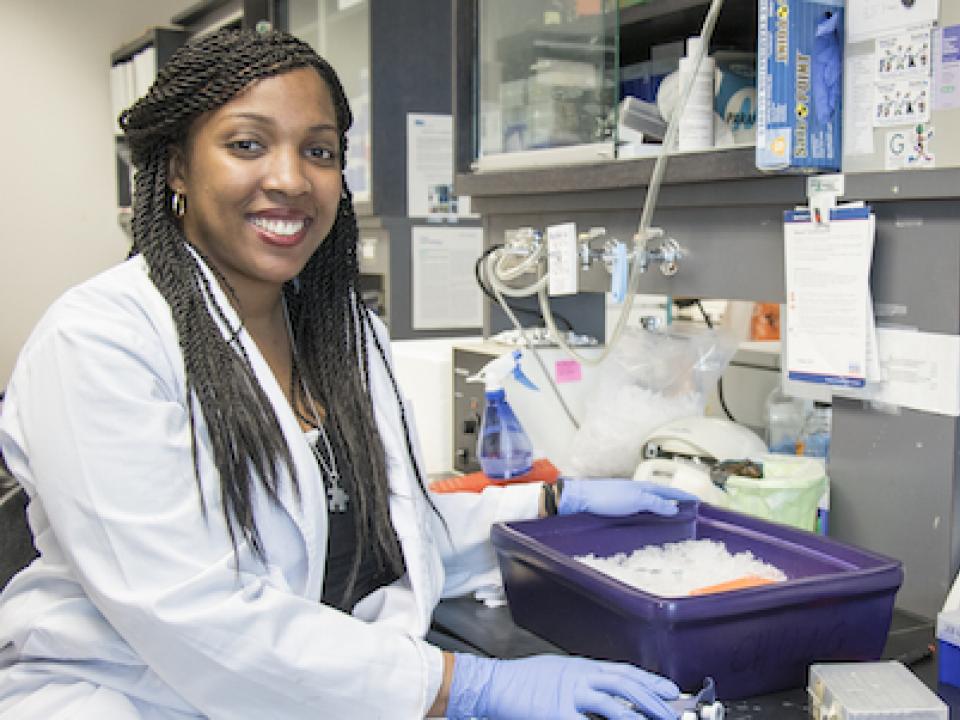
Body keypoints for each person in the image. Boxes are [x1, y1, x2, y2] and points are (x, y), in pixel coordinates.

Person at [0, 28, 691, 719]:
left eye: (319, 151)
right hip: (127, 699)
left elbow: (378, 536)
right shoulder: (102, 341)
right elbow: (187, 610)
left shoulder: (339, 332)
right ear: (177, 167)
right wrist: (463, 686)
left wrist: (549, 509)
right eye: (247, 144)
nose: (291, 179)